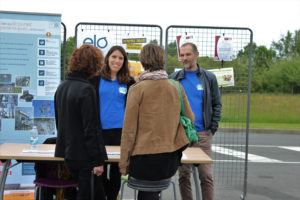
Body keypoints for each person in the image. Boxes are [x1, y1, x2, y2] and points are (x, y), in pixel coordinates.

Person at [119, 44, 194, 200]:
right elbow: (190, 118)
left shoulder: (137, 89)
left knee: (145, 194)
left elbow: (129, 130)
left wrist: (124, 163)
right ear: (162, 60)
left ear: (143, 62)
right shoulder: (176, 86)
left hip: (143, 160)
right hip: (169, 159)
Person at [169, 42, 222, 200]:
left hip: (202, 135)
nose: (184, 58)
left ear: (196, 55)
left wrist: (211, 129)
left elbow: (217, 104)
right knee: (184, 176)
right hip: (181, 136)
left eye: (188, 54)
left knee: (205, 176)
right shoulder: (174, 79)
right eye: (182, 55)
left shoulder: (209, 77)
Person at [54, 44, 108, 200]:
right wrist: (98, 160)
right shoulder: (86, 89)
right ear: (94, 64)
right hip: (85, 157)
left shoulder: (61, 87)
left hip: (69, 155)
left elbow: (60, 124)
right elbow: (91, 128)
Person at [90, 45, 135, 200]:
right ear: (107, 58)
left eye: (120, 58)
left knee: (116, 171)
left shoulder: (129, 82)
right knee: (99, 171)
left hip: (120, 133)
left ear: (124, 61)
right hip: (99, 132)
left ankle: (112, 197)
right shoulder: (95, 79)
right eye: (114, 56)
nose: (117, 60)